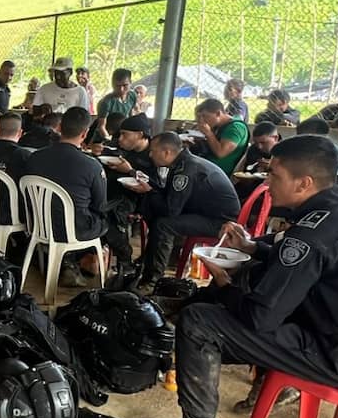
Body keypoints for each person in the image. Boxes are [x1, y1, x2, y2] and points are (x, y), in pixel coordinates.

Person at [137, 135, 338, 418]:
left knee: (200, 321)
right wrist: (254, 248)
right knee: (258, 277)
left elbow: (260, 318)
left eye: (274, 175)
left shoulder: (312, 232)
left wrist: (225, 284)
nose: (267, 182)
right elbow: (307, 266)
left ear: (304, 183)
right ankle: (264, 383)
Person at [133, 132, 241, 287]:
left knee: (163, 224)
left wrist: (149, 191)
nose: (150, 155)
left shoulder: (186, 169)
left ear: (167, 152)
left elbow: (171, 209)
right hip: (203, 211)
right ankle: (151, 260)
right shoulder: (182, 162)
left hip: (221, 221)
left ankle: (152, 281)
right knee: (152, 209)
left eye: (153, 151)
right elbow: (170, 196)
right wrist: (149, 187)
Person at [24, 107, 107, 242]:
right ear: (85, 133)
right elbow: (100, 205)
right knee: (106, 220)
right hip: (76, 231)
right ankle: (95, 256)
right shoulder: (92, 166)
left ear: (60, 127)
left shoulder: (34, 157)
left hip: (39, 225)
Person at [102, 113, 159, 274]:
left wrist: (130, 171)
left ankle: (124, 256)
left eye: (124, 134)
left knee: (111, 212)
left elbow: (155, 184)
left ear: (140, 135)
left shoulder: (154, 153)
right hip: (115, 195)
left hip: (140, 201)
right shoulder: (124, 149)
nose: (120, 139)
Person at [193, 98, 250, 176]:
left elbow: (221, 153)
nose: (202, 120)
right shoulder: (219, 125)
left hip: (218, 172)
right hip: (207, 165)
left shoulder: (235, 127)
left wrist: (208, 133)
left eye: (205, 116)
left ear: (218, 113)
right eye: (200, 117)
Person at [96, 68, 136, 139]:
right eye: (117, 86)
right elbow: (101, 126)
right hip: (107, 135)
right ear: (112, 84)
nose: (121, 89)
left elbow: (131, 115)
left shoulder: (132, 96)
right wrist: (108, 140)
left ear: (130, 83)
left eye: (125, 85)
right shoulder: (106, 102)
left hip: (123, 134)